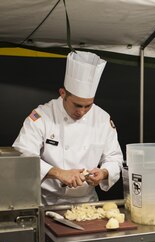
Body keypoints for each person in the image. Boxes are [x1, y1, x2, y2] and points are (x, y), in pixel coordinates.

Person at [13, 51, 123, 205]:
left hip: (88, 203)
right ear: (63, 93)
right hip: (47, 202)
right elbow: (22, 156)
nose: (82, 111)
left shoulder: (102, 119)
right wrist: (58, 173)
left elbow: (115, 158)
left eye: (88, 106)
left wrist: (104, 173)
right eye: (77, 105)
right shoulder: (42, 116)